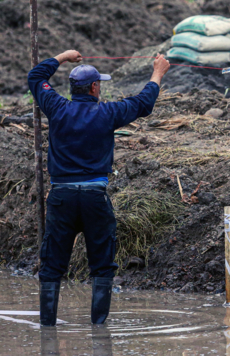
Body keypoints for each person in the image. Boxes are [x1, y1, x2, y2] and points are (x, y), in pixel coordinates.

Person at [28, 51, 170, 326]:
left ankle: (47, 327)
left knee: (52, 267)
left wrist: (63, 57)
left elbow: (35, 76)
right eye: (99, 85)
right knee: (102, 267)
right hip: (95, 198)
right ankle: (99, 331)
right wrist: (158, 73)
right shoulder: (108, 113)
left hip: (61, 199)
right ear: (94, 88)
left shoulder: (57, 107)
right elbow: (143, 103)